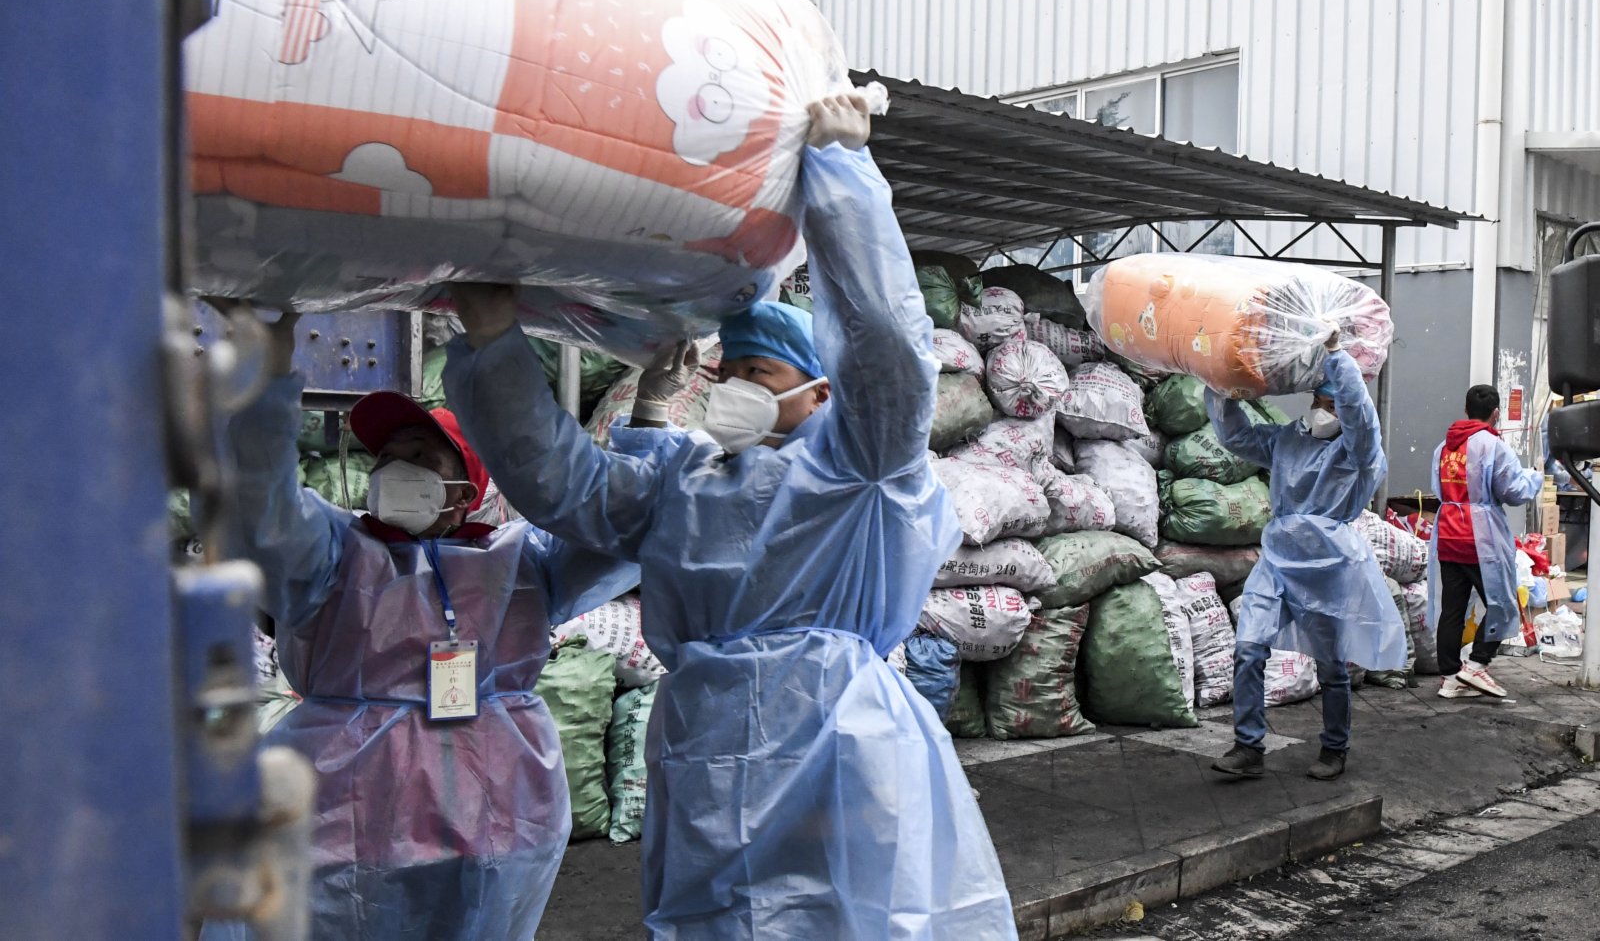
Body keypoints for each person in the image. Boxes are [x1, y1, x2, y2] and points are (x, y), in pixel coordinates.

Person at [445, 94, 1015, 939]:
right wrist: (493, 343)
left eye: (764, 372)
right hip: (707, 745)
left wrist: (842, 175)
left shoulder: (860, 468)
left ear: (820, 392)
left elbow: (887, 348)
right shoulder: (683, 479)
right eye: (730, 369)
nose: (736, 387)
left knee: (853, 918)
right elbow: (564, 485)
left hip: (835, 739)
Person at [205, 312, 637, 941]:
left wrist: (649, 428)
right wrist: (269, 379)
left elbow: (619, 528)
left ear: (464, 489)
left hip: (496, 812)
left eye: (418, 456)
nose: (393, 469)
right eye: (385, 457)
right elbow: (262, 506)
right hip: (346, 811)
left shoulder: (519, 561)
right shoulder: (333, 552)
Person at [1206, 339, 1409, 782]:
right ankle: (1248, 746)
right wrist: (1218, 379)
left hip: (1326, 564)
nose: (1321, 409)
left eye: (1331, 404)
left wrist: (1336, 355)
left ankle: (1334, 747)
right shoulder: (1288, 440)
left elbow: (1359, 415)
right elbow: (1236, 435)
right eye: (1317, 400)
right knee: (1248, 647)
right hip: (1277, 557)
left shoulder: (1358, 454)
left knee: (1331, 665)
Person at [1430, 385, 1544, 699]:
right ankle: (1477, 663)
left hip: (1449, 532)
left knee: (1452, 608)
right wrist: (1533, 478)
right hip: (1481, 538)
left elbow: (1438, 488)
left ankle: (1450, 677)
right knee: (1504, 603)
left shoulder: (1444, 447)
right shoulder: (1493, 446)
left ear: (1466, 409)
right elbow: (1514, 492)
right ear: (1495, 414)